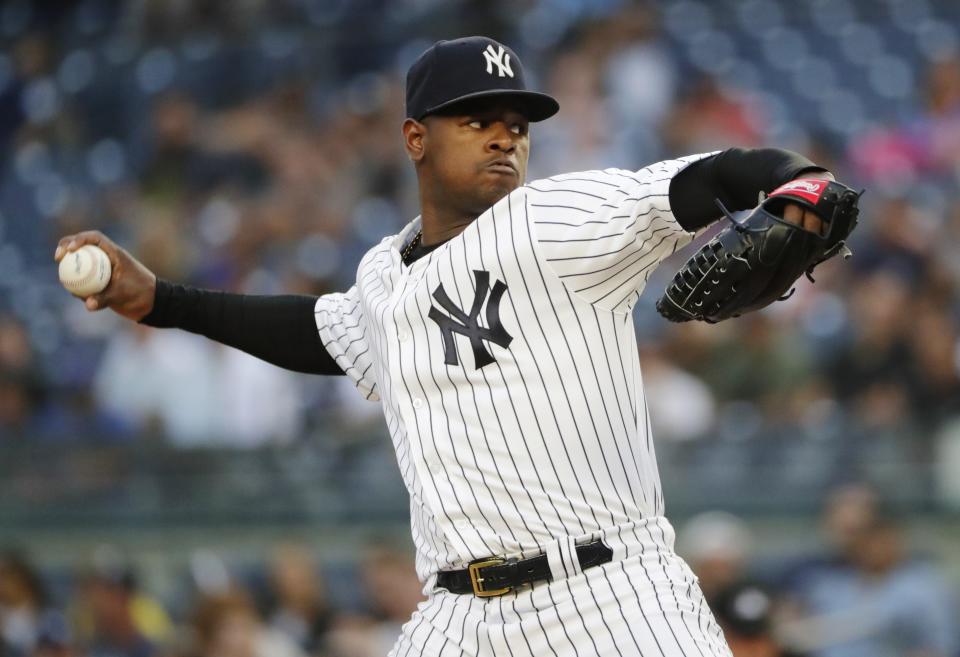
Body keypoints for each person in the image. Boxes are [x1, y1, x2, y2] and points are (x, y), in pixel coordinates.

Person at [56, 36, 835, 657]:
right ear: (414, 138)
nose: (504, 137)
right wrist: (160, 300)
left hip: (609, 594)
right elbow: (318, 333)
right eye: (477, 119)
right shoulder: (381, 279)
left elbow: (700, 180)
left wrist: (794, 180)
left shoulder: (551, 222)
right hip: (458, 617)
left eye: (518, 125)